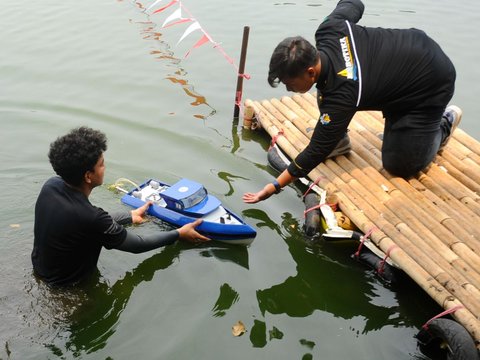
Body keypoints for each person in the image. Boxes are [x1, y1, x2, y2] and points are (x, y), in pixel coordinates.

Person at [243, 0, 460, 204]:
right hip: (406, 62)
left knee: (399, 166)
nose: (289, 89)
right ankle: (339, 138)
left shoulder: (342, 95)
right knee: (327, 91)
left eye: (290, 84)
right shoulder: (330, 28)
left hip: (430, 83)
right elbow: (354, 3)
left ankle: (443, 125)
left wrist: (273, 187)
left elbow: (316, 150)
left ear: (310, 71)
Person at [32, 126, 209, 287]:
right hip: (67, 290)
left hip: (39, 272)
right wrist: (179, 233)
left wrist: (129, 216)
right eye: (101, 164)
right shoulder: (91, 218)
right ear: (88, 176)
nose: (105, 167)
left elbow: (88, 222)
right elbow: (137, 245)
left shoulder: (51, 186)